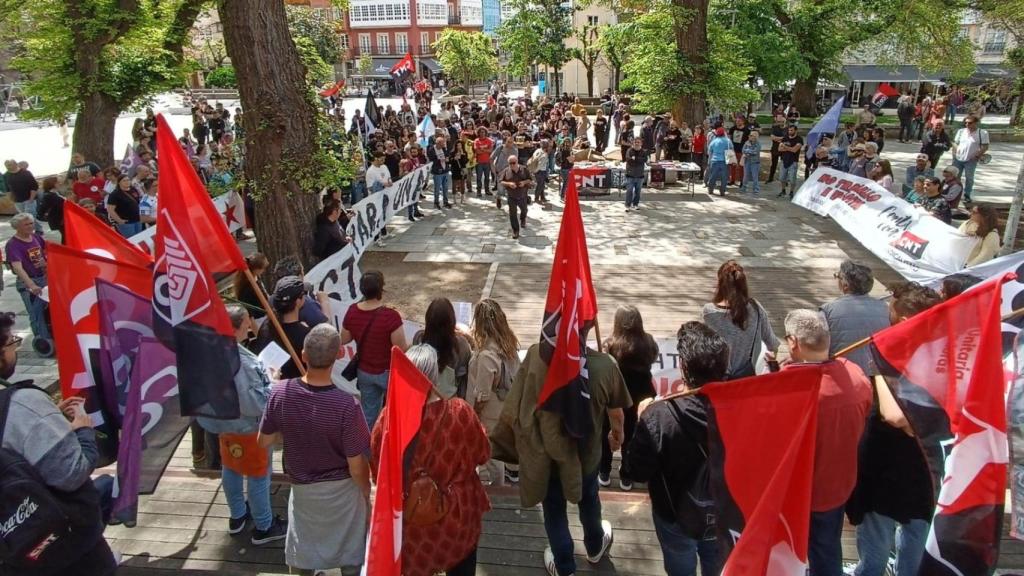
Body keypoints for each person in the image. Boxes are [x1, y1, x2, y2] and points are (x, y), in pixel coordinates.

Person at [490, 334, 630, 576]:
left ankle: (564, 566)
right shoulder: (606, 365)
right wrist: (616, 437)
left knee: (554, 511)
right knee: (589, 501)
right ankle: (595, 545)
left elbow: (519, 400)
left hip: (548, 456)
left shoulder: (535, 356)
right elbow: (616, 415)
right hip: (587, 457)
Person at [0, 312, 118, 576]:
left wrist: (48, 419)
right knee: (109, 486)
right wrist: (83, 431)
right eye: (11, 342)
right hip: (61, 542)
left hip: (12, 551)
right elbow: (71, 473)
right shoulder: (24, 403)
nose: (14, 348)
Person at [847, 282, 945, 576]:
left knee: (877, 538)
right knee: (916, 533)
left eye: (890, 309)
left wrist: (877, 370)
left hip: (889, 465)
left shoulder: (892, 355)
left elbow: (894, 416)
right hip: (926, 463)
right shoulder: (943, 353)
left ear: (903, 321)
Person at [258, 325, 371, 576]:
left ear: (303, 355)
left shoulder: (280, 393)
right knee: (351, 553)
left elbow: (264, 441)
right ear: (339, 355)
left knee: (302, 549)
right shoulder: (347, 406)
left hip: (302, 491)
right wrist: (366, 493)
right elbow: (356, 465)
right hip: (342, 492)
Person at [370, 345, 491, 576]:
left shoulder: (389, 419)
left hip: (412, 521)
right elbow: (483, 453)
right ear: (435, 373)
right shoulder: (461, 412)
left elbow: (377, 469)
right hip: (459, 515)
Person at [624, 321, 728, 576]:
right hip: (724, 513)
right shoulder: (745, 409)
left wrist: (642, 421)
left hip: (674, 516)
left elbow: (636, 471)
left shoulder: (659, 416)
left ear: (682, 366)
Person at [781, 310, 872, 576]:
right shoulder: (855, 375)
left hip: (797, 491)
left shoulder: (787, 387)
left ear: (793, 342)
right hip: (838, 485)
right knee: (827, 550)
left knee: (788, 553)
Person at [196, 305, 285, 545]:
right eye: (247, 320)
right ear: (236, 327)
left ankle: (237, 515)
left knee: (232, 467)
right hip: (248, 427)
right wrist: (273, 381)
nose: (251, 324)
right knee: (258, 475)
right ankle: (264, 526)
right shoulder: (241, 363)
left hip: (224, 424)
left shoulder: (209, 353)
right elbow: (255, 403)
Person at [598, 305, 658, 491]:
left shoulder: (610, 344)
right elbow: (653, 357)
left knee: (607, 432)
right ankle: (626, 476)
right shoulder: (648, 342)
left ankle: (604, 472)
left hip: (615, 396)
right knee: (632, 434)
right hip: (640, 395)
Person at [340, 271, 408, 430]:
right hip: (388, 372)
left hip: (364, 371)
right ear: (381, 289)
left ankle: (368, 450)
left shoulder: (352, 311)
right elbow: (400, 348)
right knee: (396, 413)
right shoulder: (391, 316)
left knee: (368, 416)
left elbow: (344, 338)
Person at [467, 299, 521, 486]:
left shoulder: (486, 356)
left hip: (489, 413)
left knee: (492, 456)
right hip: (506, 406)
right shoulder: (508, 344)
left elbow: (482, 394)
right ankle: (512, 475)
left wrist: (473, 414)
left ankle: (498, 490)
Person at [700, 260, 780, 378]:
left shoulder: (709, 312)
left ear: (720, 284)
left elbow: (702, 347)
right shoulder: (755, 308)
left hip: (716, 379)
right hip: (746, 380)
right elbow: (773, 345)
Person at [819, 261, 890, 377]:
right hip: (878, 375)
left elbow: (819, 347)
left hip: (843, 374)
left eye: (837, 276)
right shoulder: (886, 308)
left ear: (845, 285)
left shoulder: (827, 310)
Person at [5, 213, 52, 351]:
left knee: (49, 310)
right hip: (29, 281)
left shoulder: (36, 237)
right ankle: (43, 340)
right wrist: (31, 284)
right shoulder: (13, 244)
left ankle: (52, 334)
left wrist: (47, 261)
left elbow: (47, 251)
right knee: (35, 313)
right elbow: (17, 267)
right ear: (17, 227)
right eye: (26, 224)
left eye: (31, 223)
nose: (30, 226)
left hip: (43, 278)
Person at [412, 298, 473, 399]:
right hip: (450, 400)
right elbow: (463, 375)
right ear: (452, 321)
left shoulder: (418, 338)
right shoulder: (461, 344)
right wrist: (468, 337)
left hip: (425, 397)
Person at [254, 276, 311, 379]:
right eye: (303, 295)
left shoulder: (266, 326)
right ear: (298, 301)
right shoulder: (306, 335)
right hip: (297, 390)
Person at [271, 256, 331, 327]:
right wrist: (324, 302)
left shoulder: (272, 300)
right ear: (299, 276)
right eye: (303, 273)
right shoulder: (307, 304)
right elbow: (327, 329)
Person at [951, 114, 989, 203]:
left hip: (971, 160)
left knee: (969, 178)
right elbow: (955, 143)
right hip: (958, 159)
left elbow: (985, 146)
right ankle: (955, 193)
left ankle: (967, 194)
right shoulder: (961, 131)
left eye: (970, 123)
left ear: (976, 123)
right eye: (966, 123)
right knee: (955, 177)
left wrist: (977, 155)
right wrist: (955, 152)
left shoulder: (982, 133)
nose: (967, 125)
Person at [3, 159, 43, 233]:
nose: (8, 167)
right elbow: (7, 188)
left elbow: (34, 186)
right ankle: (33, 230)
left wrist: (31, 199)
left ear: (15, 164)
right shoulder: (6, 175)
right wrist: (11, 199)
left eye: (9, 165)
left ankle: (37, 230)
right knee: (23, 217)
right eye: (6, 165)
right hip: (17, 200)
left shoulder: (25, 173)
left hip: (29, 198)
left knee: (30, 216)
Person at [499, 155, 533, 240]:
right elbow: (501, 181)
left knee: (524, 210)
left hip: (522, 196)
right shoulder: (506, 171)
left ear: (517, 162)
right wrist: (509, 184)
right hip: (511, 196)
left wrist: (524, 182)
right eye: (510, 163)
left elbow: (530, 179)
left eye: (514, 163)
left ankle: (523, 219)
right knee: (513, 214)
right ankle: (515, 230)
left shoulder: (524, 169)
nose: (512, 165)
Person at [233, 253, 270, 319]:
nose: (264, 271)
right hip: (259, 320)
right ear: (256, 269)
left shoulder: (256, 278)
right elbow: (249, 313)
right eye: (263, 268)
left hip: (266, 313)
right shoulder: (247, 288)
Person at [36, 176, 66, 243]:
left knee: (65, 235)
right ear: (53, 184)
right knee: (65, 235)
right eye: (58, 182)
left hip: (60, 218)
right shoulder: (49, 196)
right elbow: (43, 209)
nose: (60, 183)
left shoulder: (54, 193)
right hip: (59, 219)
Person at [777, 125, 803, 199]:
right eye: (789, 130)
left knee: (792, 179)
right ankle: (783, 190)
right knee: (782, 178)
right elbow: (779, 149)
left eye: (791, 130)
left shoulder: (799, 139)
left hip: (793, 161)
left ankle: (791, 192)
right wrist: (790, 148)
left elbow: (795, 150)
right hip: (784, 160)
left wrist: (784, 147)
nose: (790, 132)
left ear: (795, 131)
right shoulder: (785, 137)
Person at [428, 134, 453, 209]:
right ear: (438, 143)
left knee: (445, 188)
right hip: (437, 172)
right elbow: (432, 160)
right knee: (437, 188)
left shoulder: (444, 148)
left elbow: (447, 155)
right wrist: (440, 160)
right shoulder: (432, 149)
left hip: (445, 170)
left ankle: (445, 202)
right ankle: (436, 202)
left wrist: (448, 159)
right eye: (442, 143)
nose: (444, 144)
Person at [624, 137, 649, 211]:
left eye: (638, 142)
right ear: (633, 143)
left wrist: (636, 159)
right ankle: (628, 205)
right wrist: (637, 160)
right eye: (635, 142)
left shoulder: (643, 152)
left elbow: (645, 160)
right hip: (630, 175)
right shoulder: (629, 151)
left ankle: (635, 204)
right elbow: (629, 160)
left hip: (640, 175)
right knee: (629, 191)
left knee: (638, 192)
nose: (636, 143)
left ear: (641, 143)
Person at [705, 127, 730, 196]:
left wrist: (710, 161)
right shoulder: (727, 141)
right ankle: (722, 191)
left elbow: (709, 152)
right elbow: (730, 150)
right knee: (724, 177)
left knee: (713, 176)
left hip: (714, 160)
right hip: (724, 161)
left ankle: (710, 189)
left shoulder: (714, 141)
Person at [728, 116, 751, 186]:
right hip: (732, 150)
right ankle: (732, 180)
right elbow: (729, 139)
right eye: (736, 121)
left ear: (743, 121)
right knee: (732, 166)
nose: (737, 122)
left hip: (742, 151)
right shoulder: (732, 129)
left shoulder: (747, 130)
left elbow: (749, 141)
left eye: (739, 121)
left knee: (742, 167)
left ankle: (742, 181)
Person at [473, 127, 494, 197]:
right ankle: (479, 191)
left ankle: (487, 190)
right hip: (479, 162)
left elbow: (491, 150)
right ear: (478, 133)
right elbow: (477, 151)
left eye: (483, 132)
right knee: (479, 178)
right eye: (480, 132)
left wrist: (482, 149)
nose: (482, 133)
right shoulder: (476, 141)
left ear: (485, 132)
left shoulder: (489, 140)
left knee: (487, 177)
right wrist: (486, 149)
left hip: (487, 162)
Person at [766, 115, 787, 182]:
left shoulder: (787, 129)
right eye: (779, 121)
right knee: (773, 164)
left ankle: (784, 179)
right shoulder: (775, 128)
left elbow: (787, 138)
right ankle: (771, 178)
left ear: (785, 122)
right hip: (775, 148)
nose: (781, 123)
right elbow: (772, 137)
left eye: (782, 121)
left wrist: (777, 138)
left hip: (784, 149)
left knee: (784, 164)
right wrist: (782, 138)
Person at [740, 130, 761, 195]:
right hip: (747, 161)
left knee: (755, 176)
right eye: (750, 135)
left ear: (755, 137)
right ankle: (744, 188)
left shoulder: (758, 143)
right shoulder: (747, 142)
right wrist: (749, 151)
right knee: (745, 175)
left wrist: (748, 151)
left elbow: (755, 152)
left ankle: (756, 189)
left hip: (755, 162)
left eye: (751, 135)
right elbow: (743, 150)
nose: (749, 136)